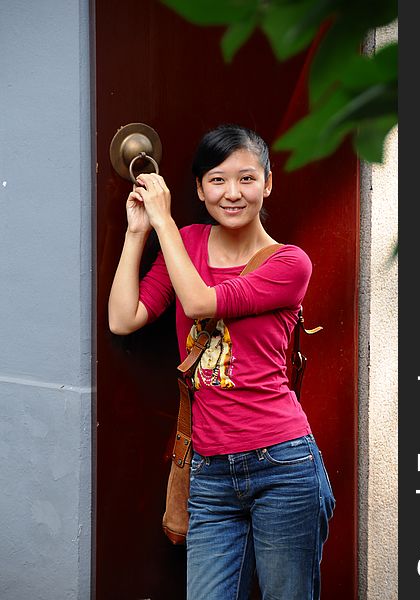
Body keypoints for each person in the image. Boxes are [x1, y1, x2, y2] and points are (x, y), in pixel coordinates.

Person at [108, 124, 335, 600]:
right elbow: (123, 318)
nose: (232, 193)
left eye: (247, 179)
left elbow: (199, 302)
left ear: (267, 183)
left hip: (283, 465)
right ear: (198, 188)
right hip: (209, 472)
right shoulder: (186, 243)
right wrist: (138, 232)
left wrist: (163, 220)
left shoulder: (289, 263)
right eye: (217, 180)